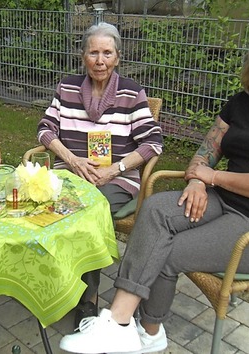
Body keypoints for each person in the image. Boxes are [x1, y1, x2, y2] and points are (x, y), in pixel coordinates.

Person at [59, 16, 249, 354]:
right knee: (156, 208)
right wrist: (195, 180)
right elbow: (204, 154)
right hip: (223, 202)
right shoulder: (242, 103)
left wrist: (213, 178)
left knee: (165, 252)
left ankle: (140, 329)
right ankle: (124, 324)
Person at [36, 22, 163, 326]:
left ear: (117, 57)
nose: (100, 60)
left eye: (107, 53)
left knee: (89, 209)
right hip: (71, 170)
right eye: (93, 52)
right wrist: (71, 159)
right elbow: (45, 129)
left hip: (116, 178)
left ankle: (87, 297)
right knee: (46, 203)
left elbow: (153, 142)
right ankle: (53, 279)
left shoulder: (132, 93)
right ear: (83, 56)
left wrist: (114, 169)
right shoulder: (66, 88)